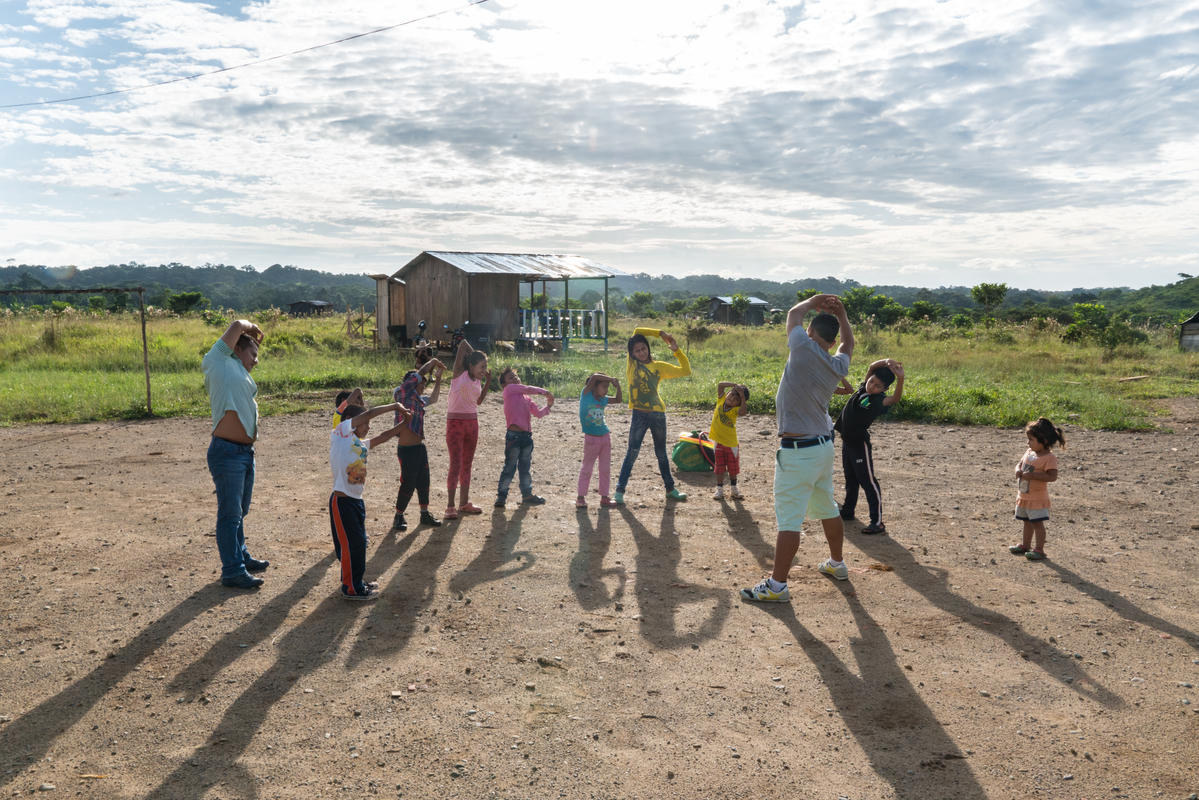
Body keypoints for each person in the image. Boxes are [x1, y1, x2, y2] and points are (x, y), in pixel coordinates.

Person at [741, 294, 854, 603]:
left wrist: (815, 299)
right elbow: (848, 345)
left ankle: (777, 586)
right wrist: (842, 315)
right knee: (827, 506)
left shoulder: (802, 348)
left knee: (789, 520)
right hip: (823, 447)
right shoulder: (836, 364)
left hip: (799, 450)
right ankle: (836, 563)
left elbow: (793, 313)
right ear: (830, 342)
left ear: (810, 333)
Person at [202, 318, 269, 590]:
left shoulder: (238, 373)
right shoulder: (218, 363)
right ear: (236, 349)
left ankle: (240, 556)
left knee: (239, 512)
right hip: (227, 453)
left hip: (243, 452)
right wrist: (248, 327)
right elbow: (236, 324)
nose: (256, 360)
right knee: (230, 514)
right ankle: (232, 569)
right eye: (252, 354)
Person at [330, 401, 412, 600]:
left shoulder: (359, 443)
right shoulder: (340, 433)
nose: (368, 426)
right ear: (352, 422)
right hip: (342, 503)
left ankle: (357, 582)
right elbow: (371, 414)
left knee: (358, 545)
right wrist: (394, 406)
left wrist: (405, 423)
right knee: (351, 546)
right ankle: (350, 588)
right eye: (365, 422)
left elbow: (383, 437)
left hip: (356, 501)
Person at [614, 328, 691, 504]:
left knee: (661, 453)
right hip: (638, 415)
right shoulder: (632, 365)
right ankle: (619, 491)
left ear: (648, 348)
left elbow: (685, 370)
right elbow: (636, 330)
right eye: (637, 350)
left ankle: (670, 489)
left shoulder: (659, 367)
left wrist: (676, 350)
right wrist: (661, 333)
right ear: (632, 354)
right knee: (632, 452)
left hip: (657, 415)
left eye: (643, 348)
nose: (641, 352)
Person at [833, 359, 905, 534]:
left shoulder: (879, 400)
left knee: (868, 481)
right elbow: (872, 367)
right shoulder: (862, 388)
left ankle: (877, 522)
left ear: (883, 390)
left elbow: (895, 398)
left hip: (859, 444)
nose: (872, 386)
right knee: (850, 479)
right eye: (871, 381)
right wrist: (886, 362)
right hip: (847, 442)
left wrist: (900, 378)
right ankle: (848, 511)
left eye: (877, 386)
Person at [391, 356, 447, 532]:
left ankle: (424, 513)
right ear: (410, 383)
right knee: (408, 482)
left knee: (424, 481)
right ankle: (398, 516)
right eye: (421, 383)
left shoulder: (418, 399)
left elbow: (435, 398)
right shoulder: (403, 394)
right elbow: (419, 373)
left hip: (418, 448)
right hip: (407, 450)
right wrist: (432, 361)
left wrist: (438, 379)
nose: (423, 385)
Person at [444, 340, 490, 520]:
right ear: (470, 365)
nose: (484, 369)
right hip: (455, 424)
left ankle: (464, 503)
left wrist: (487, 382)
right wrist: (474, 353)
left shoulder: (478, 380)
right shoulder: (458, 375)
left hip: (472, 424)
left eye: (485, 366)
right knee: (455, 464)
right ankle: (450, 506)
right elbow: (462, 344)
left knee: (467, 464)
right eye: (481, 366)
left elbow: (478, 402)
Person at [494, 366, 553, 508]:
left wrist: (548, 406)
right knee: (510, 467)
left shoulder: (526, 398)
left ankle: (527, 495)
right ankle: (501, 497)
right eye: (511, 378)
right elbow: (528, 388)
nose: (515, 379)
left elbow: (538, 413)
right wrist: (545, 392)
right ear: (504, 384)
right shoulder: (508, 391)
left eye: (516, 376)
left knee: (525, 468)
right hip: (514, 436)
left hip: (526, 437)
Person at [1008, 417, 1065, 561]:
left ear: (1044, 441)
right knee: (1026, 522)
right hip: (1024, 496)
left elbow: (1052, 476)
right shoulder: (1029, 452)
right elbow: (1019, 464)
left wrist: (1033, 475)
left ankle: (1039, 549)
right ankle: (1025, 545)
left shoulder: (1049, 458)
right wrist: (1017, 470)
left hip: (1037, 499)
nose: (1028, 443)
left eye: (1031, 440)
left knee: (1037, 524)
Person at [577, 373, 622, 508]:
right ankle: (580, 497)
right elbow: (595, 376)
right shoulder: (586, 395)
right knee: (587, 468)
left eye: (608, 387)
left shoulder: (603, 400)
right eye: (604, 387)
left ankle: (604, 497)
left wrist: (618, 385)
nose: (606, 390)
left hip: (605, 438)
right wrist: (611, 379)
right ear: (593, 387)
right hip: (591, 439)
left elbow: (618, 400)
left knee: (605, 469)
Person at [710, 382, 749, 500]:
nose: (732, 399)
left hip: (731, 444)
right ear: (727, 393)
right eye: (731, 395)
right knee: (719, 467)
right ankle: (719, 490)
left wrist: (742, 396)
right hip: (718, 443)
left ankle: (734, 489)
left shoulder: (736, 410)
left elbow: (743, 412)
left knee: (732, 469)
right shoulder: (721, 400)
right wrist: (734, 385)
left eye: (736, 399)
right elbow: (720, 385)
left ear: (739, 403)